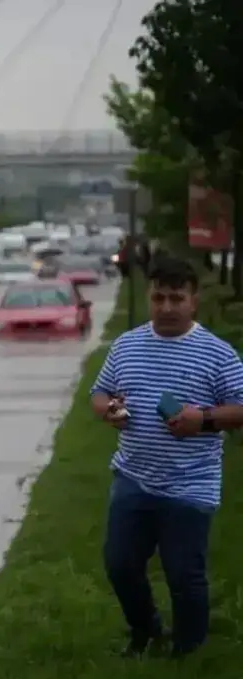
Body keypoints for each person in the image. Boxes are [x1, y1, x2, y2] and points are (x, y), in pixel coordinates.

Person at [90, 255, 243, 657]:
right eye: (159, 297)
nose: (167, 307)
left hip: (191, 485)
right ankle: (146, 632)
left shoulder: (218, 354)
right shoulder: (126, 345)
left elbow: (240, 408)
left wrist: (204, 419)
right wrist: (111, 411)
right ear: (149, 298)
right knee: (120, 565)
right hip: (132, 478)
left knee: (184, 575)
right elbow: (100, 392)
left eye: (176, 298)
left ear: (194, 301)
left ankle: (188, 653)